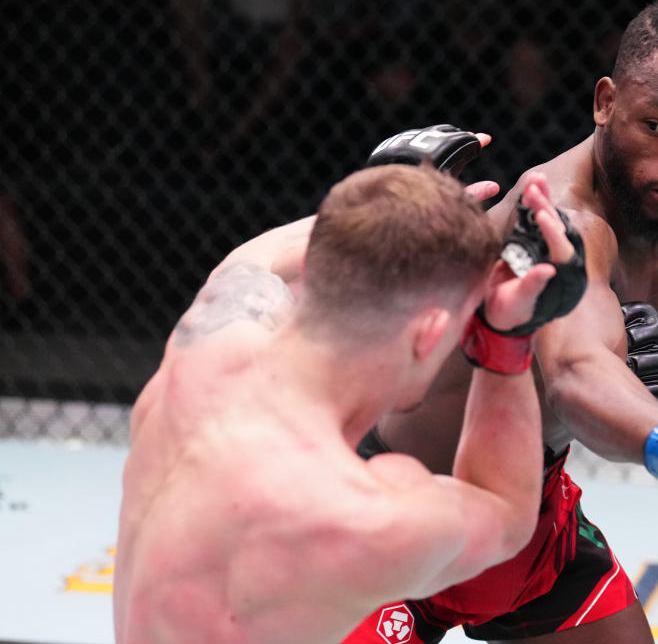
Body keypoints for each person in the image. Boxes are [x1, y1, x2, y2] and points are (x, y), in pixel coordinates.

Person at [346, 0, 658, 644]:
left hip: (528, 524)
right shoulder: (559, 217)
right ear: (605, 103)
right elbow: (573, 371)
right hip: (398, 512)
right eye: (657, 125)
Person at [112, 164, 584, 644]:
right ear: (428, 337)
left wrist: (391, 214)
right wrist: (508, 334)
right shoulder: (360, 513)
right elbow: (504, 516)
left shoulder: (201, 354)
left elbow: (252, 261)